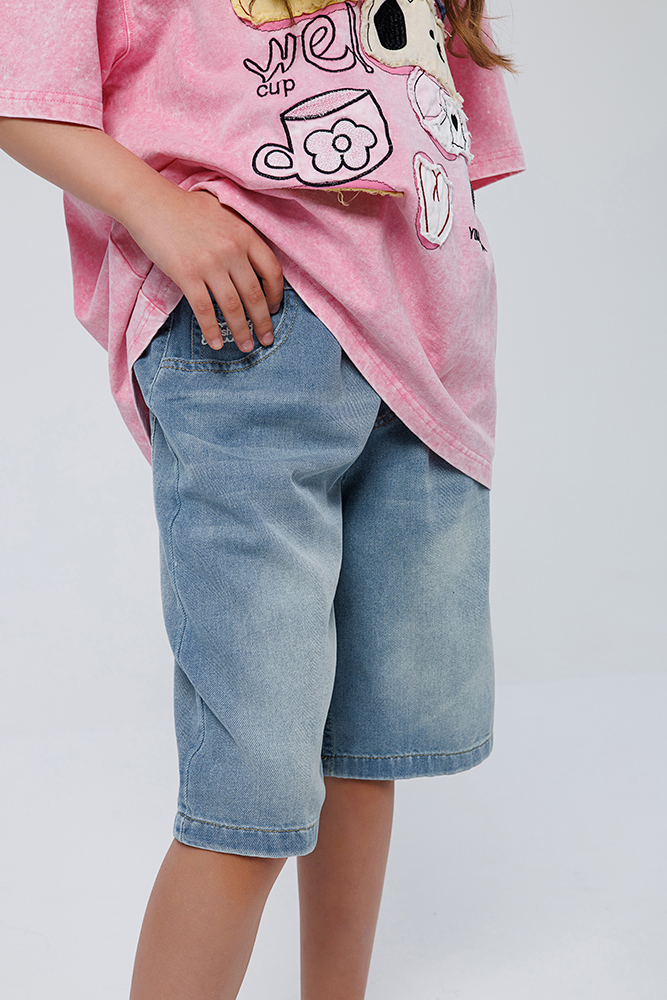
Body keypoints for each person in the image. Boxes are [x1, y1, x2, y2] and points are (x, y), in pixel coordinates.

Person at [0, 0, 524, 996]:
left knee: (362, 750)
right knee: (246, 795)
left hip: (429, 351)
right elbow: (20, 83)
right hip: (249, 326)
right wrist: (155, 207)